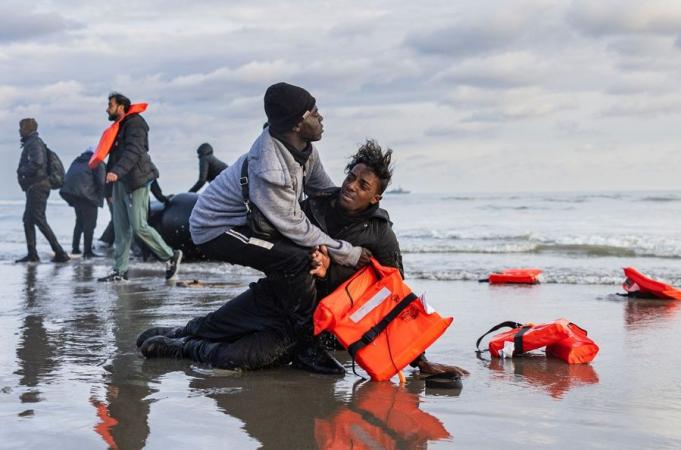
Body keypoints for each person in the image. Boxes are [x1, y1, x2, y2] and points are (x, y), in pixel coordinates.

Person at [139, 141, 467, 378]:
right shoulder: (315, 207)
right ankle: (185, 331)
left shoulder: (380, 235)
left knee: (237, 358)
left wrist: (420, 361)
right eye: (351, 176)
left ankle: (184, 348)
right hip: (273, 295)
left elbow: (395, 299)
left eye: (362, 184)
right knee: (212, 326)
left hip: (310, 321)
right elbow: (279, 249)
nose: (351, 185)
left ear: (375, 196)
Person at [188, 82, 366, 362]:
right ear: (297, 123)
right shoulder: (269, 166)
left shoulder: (306, 149)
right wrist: (347, 251)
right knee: (296, 261)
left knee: (294, 263)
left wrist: (364, 211)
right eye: (314, 112)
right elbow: (294, 225)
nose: (321, 118)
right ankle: (307, 343)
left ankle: (238, 326)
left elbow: (324, 192)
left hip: (252, 220)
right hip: (216, 228)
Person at [97, 92, 182, 282]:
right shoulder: (117, 127)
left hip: (137, 179)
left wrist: (117, 172)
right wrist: (108, 189)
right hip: (118, 182)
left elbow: (134, 151)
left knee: (138, 226)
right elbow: (113, 159)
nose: (107, 109)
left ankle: (170, 256)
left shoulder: (136, 123)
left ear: (121, 106)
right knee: (120, 228)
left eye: (110, 105)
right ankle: (120, 271)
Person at [15, 118, 70, 263]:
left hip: (38, 187)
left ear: (28, 128)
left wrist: (22, 170)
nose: (19, 130)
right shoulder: (32, 142)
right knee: (28, 220)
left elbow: (37, 163)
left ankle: (60, 252)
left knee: (38, 219)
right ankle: (32, 254)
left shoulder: (34, 143)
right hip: (36, 186)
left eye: (21, 128)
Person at [59, 147, 106, 258]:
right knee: (90, 224)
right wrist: (101, 198)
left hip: (75, 195)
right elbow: (101, 181)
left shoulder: (77, 161)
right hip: (88, 196)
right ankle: (88, 252)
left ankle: (75, 249)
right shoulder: (96, 161)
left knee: (79, 222)